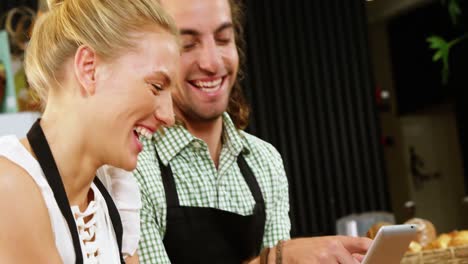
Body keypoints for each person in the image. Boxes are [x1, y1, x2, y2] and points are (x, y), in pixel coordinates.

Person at [132, 0, 372, 263]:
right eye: (187, 45)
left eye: (223, 39)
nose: (212, 63)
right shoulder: (133, 163)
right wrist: (277, 258)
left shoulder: (264, 161)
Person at [0, 0, 179, 262]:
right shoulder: (9, 188)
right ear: (89, 69)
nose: (169, 116)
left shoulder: (115, 190)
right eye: (155, 86)